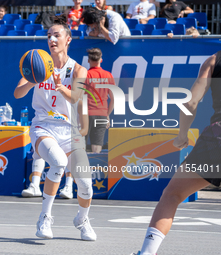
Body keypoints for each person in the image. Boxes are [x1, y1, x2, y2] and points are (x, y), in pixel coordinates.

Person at [14, 15, 96, 241]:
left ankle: (82, 219)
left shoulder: (78, 69)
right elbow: (17, 93)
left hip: (69, 130)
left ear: (68, 39)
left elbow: (76, 97)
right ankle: (44, 217)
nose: (51, 39)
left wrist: (59, 85)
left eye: (56, 35)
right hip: (43, 127)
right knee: (58, 163)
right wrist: (34, 79)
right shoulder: (37, 63)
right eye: (48, 35)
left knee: (86, 184)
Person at [131, 51, 221, 255]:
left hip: (217, 139)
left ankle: (147, 252)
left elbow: (190, 103)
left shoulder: (214, 61)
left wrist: (182, 135)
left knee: (172, 195)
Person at [22, 99, 89, 199]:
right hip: (53, 133)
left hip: (73, 136)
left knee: (70, 151)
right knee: (40, 145)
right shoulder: (55, 97)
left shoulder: (82, 101)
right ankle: (35, 185)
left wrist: (70, 137)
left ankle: (68, 187)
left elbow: (84, 129)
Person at [85, 48, 114, 153]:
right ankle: (95, 169)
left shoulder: (85, 75)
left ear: (88, 60)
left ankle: (81, 169)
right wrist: (107, 115)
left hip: (86, 114)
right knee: (97, 148)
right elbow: (114, 99)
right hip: (101, 114)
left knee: (81, 146)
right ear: (100, 60)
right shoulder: (108, 75)